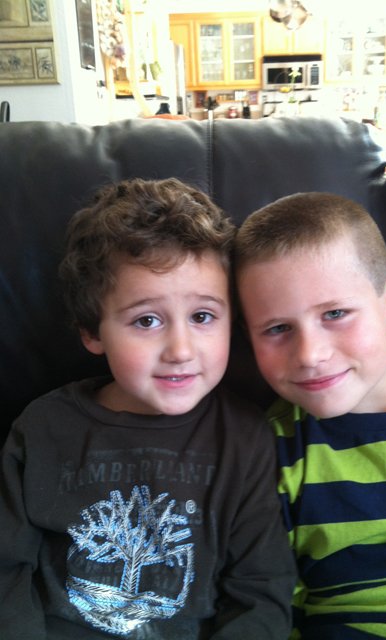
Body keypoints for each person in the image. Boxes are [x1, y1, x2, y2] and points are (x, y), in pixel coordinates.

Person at [0, 177, 296, 640]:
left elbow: (261, 592)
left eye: (202, 316)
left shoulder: (245, 437)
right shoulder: (42, 429)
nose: (181, 350)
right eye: (147, 320)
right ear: (92, 332)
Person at [234, 191, 386, 639]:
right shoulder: (271, 448)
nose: (310, 354)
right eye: (278, 328)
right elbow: (271, 604)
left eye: (335, 313)